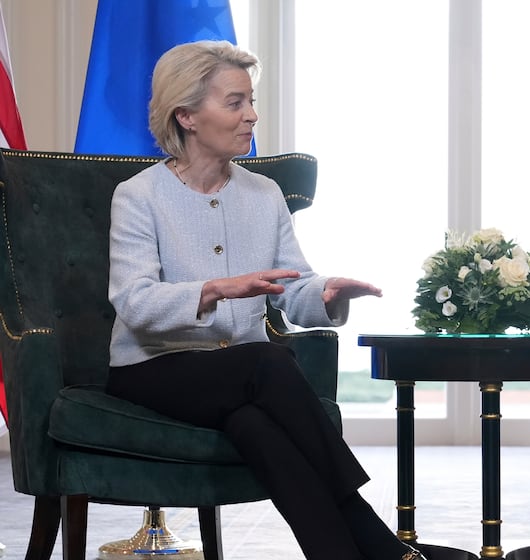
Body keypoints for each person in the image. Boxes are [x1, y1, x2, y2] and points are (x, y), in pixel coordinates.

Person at [105, 40, 426, 560]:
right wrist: (214, 289)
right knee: (269, 361)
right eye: (235, 103)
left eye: (251, 101)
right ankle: (384, 545)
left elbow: (292, 289)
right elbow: (135, 303)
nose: (251, 115)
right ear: (185, 115)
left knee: (256, 426)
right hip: (153, 369)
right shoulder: (139, 196)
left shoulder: (264, 194)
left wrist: (324, 294)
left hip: (243, 377)